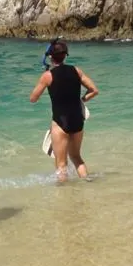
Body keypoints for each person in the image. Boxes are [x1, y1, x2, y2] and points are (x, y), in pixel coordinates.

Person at [29, 39, 99, 181]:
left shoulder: (47, 76)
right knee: (76, 157)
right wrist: (81, 100)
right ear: (65, 55)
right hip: (78, 120)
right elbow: (94, 90)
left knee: (61, 164)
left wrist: (46, 82)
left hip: (60, 123)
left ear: (50, 57)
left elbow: (33, 98)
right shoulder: (76, 70)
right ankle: (88, 182)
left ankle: (63, 195)